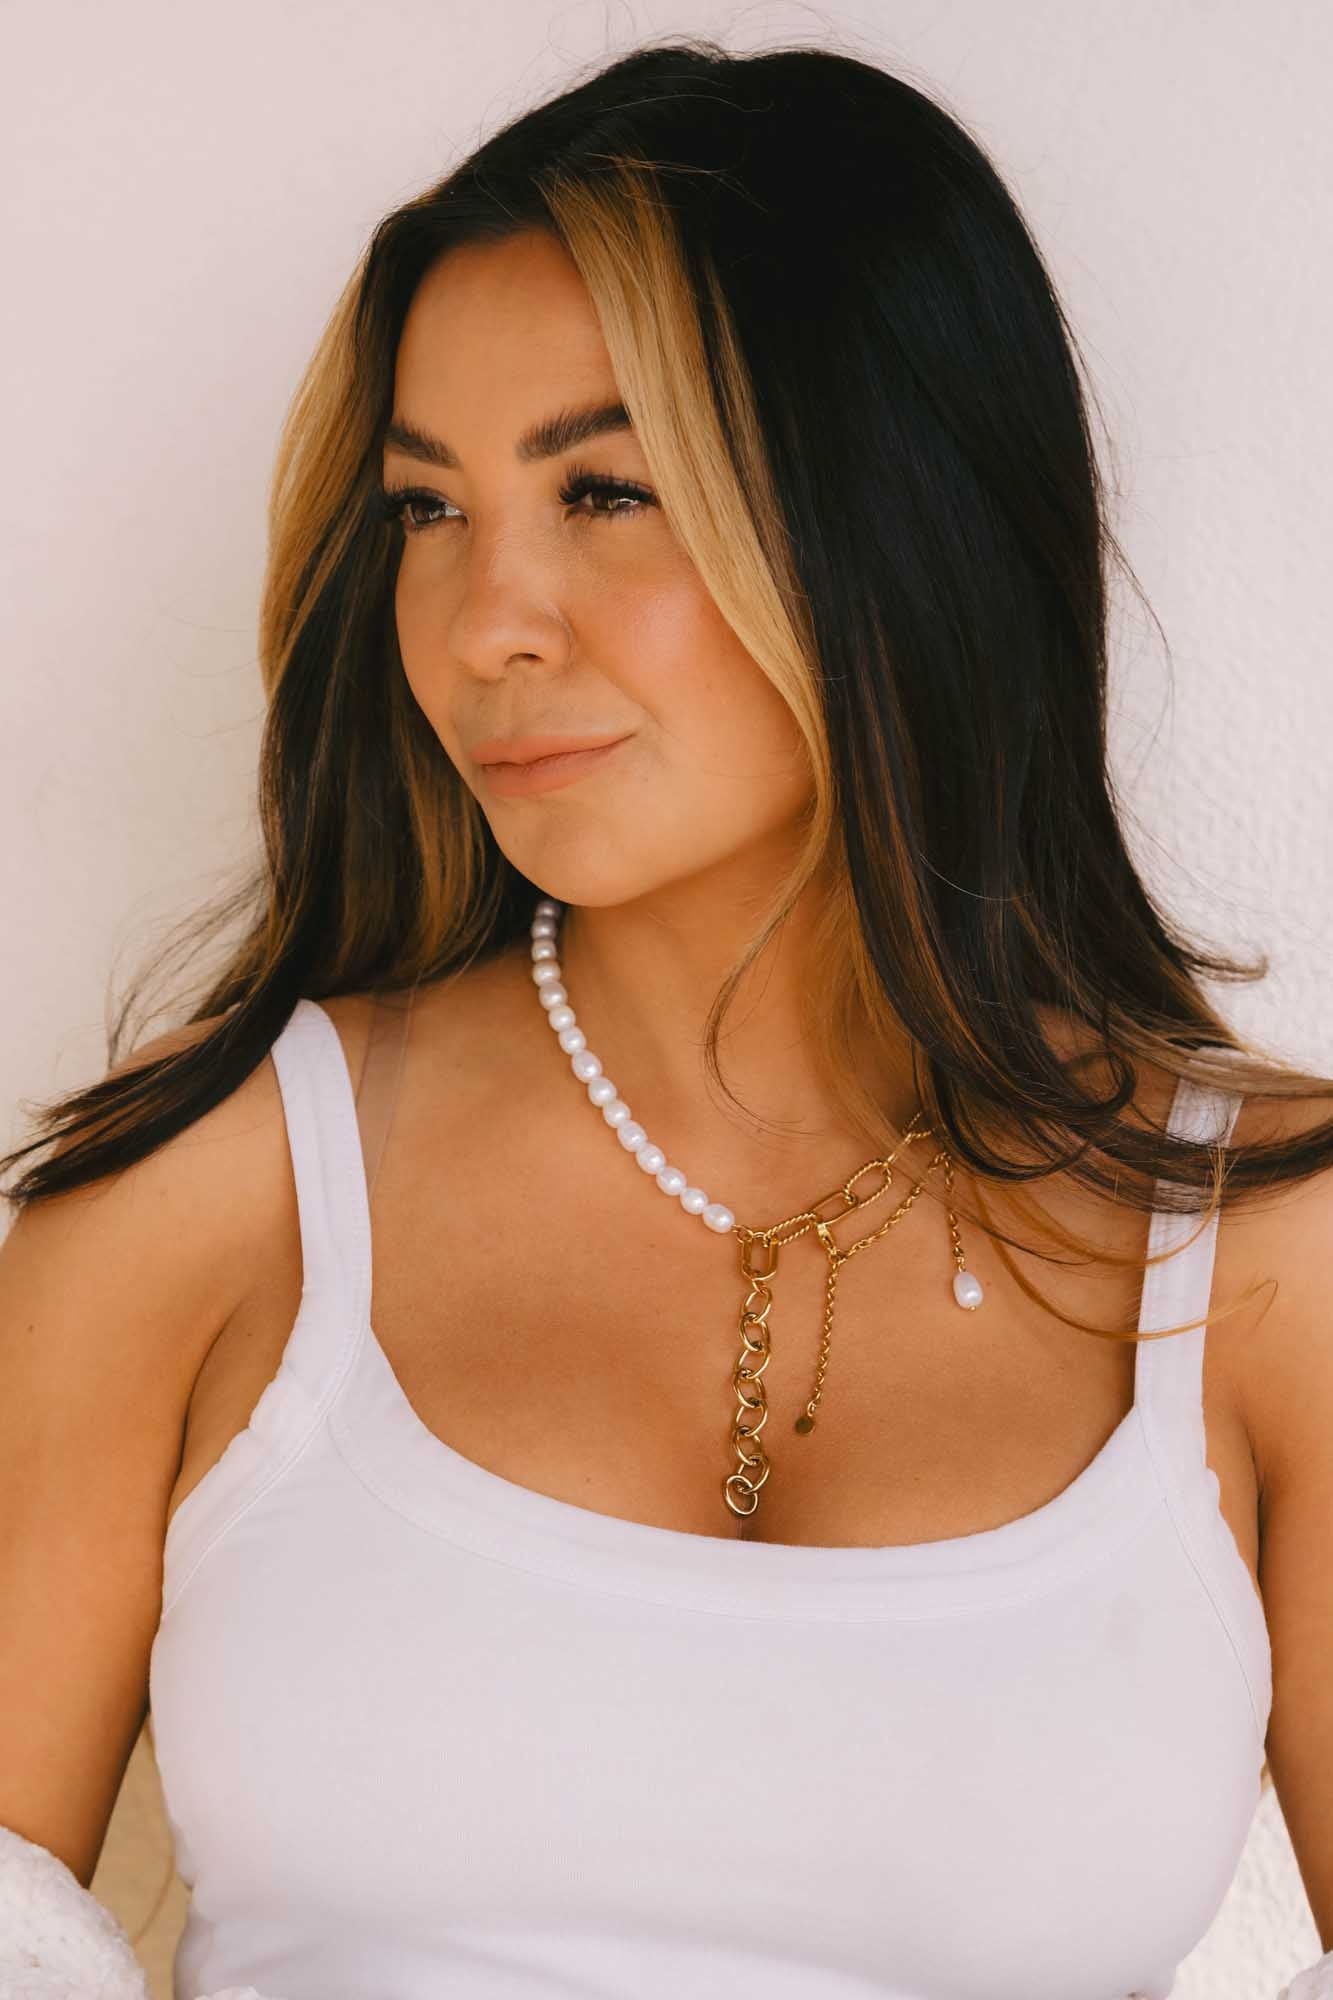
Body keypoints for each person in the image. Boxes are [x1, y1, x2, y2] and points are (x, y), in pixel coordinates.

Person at [2, 33, 1332, 2000]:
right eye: (427, 508)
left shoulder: (1266, 1253)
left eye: (604, 489)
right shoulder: (207, 1199)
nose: (485, 623)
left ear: (900, 522)